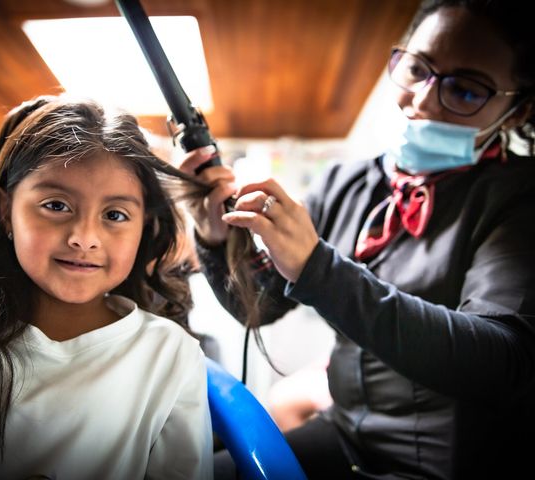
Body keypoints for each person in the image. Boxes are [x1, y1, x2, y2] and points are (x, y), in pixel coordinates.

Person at [178, 0, 535, 478]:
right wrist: (215, 237)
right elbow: (258, 308)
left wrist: (318, 269)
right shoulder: (347, 183)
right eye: (417, 69)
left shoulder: (519, 199)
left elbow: (501, 362)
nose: (424, 101)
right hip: (345, 435)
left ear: (516, 112)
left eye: (466, 90)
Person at [0, 95, 214, 479]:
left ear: (144, 226)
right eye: (56, 205)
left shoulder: (169, 355)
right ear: (4, 210)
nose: (84, 238)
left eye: (115, 215)